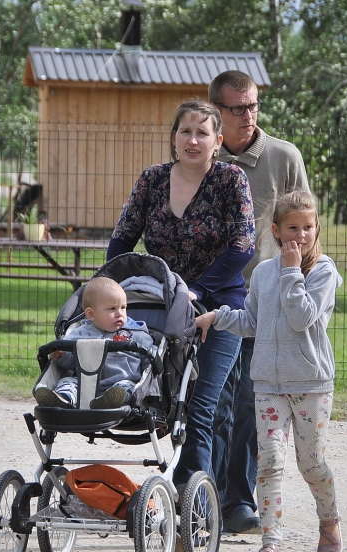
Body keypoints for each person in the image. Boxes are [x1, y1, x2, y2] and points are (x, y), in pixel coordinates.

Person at [107, 99, 255, 494]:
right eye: (185, 131)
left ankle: (197, 514)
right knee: (159, 406)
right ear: (173, 138)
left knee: (200, 408)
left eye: (202, 133)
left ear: (218, 141)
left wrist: (198, 289)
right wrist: (115, 284)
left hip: (218, 307)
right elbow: (122, 238)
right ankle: (172, 499)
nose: (193, 140)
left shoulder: (231, 180)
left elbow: (243, 246)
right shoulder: (152, 179)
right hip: (160, 305)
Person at [195, 190, 342, 552]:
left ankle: (329, 520)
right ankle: (271, 543)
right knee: (270, 463)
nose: (301, 235)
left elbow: (302, 318)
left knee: (311, 465)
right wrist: (219, 317)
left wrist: (293, 271)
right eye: (292, 228)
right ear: (276, 231)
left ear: (316, 228)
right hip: (269, 384)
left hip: (311, 384)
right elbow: (253, 322)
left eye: (308, 227)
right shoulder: (262, 272)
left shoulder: (324, 271)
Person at [208, 70, 311, 534]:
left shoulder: (284, 157)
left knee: (251, 405)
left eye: (252, 106)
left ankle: (239, 501)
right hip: (214, 301)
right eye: (237, 108)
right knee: (211, 402)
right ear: (218, 113)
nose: (247, 116)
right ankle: (204, 498)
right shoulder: (201, 156)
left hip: (265, 302)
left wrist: (300, 284)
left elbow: (303, 224)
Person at [34, 277, 155, 410]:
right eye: (112, 309)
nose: (119, 314)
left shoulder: (136, 334)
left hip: (121, 383)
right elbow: (73, 363)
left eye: (123, 308)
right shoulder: (80, 334)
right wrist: (62, 356)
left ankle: (111, 401)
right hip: (86, 385)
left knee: (128, 386)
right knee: (68, 382)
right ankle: (62, 399)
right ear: (91, 314)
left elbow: (149, 361)